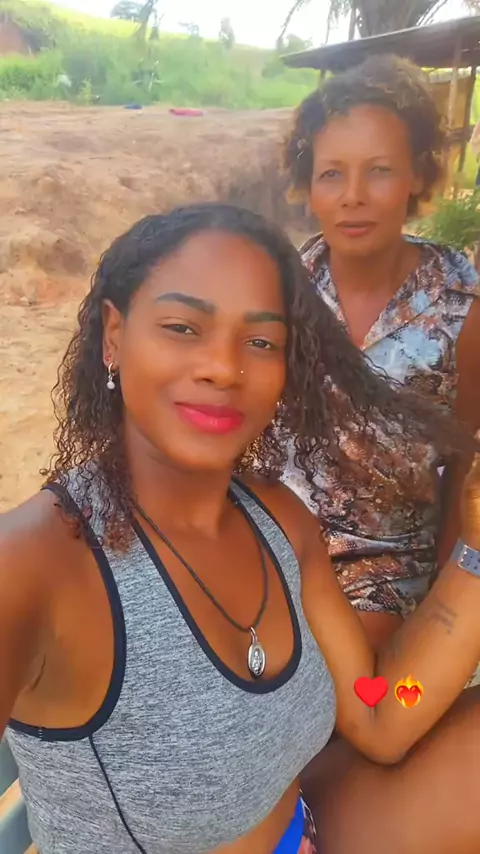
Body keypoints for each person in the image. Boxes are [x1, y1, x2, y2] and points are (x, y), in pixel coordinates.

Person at [1, 202, 480, 854]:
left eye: (260, 342)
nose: (225, 368)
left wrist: (474, 550)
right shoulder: (32, 564)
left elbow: (381, 706)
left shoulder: (280, 520)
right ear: (113, 335)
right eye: (182, 327)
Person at [282, 54, 480, 653]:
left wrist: (446, 601)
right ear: (309, 186)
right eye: (331, 174)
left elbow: (462, 463)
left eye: (380, 171)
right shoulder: (282, 289)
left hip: (387, 569)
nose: (354, 197)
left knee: (358, 688)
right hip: (275, 544)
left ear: (417, 175)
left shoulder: (461, 308)